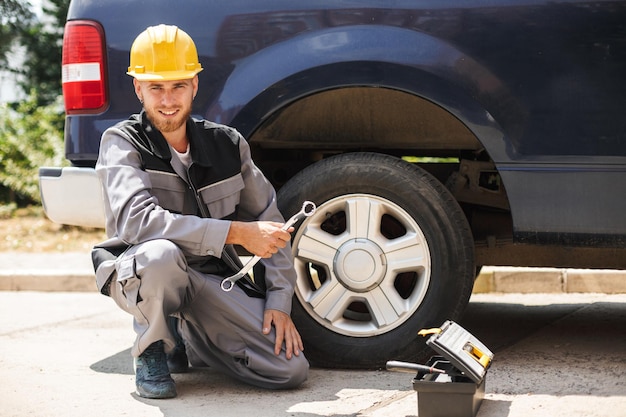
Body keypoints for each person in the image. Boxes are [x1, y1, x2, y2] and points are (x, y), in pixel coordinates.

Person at [91, 24, 309, 399]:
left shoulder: (228, 145)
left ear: (194, 85)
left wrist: (278, 300)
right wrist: (237, 234)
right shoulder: (121, 142)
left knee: (289, 369)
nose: (168, 100)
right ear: (138, 88)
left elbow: (271, 222)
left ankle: (190, 338)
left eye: (177, 86)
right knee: (161, 254)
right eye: (156, 87)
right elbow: (137, 221)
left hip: (210, 277)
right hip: (145, 273)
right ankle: (153, 349)